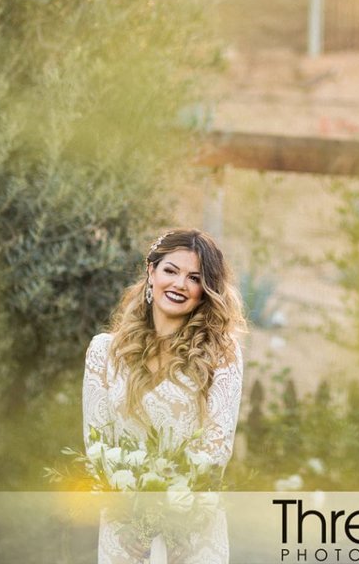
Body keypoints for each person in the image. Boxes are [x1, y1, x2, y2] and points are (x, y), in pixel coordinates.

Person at [83, 228, 246, 564]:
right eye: (171, 271)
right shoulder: (104, 352)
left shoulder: (221, 355)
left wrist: (176, 521)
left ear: (205, 290)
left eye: (194, 277)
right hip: (124, 530)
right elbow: (97, 444)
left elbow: (217, 447)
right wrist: (130, 520)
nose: (179, 284)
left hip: (191, 528)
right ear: (151, 271)